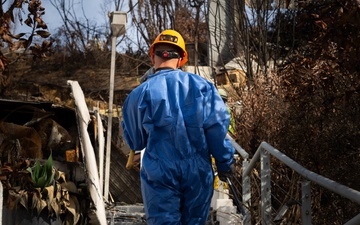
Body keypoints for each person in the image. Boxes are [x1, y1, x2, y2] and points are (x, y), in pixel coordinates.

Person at [121, 29, 235, 225]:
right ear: (182, 58)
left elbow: (135, 140)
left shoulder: (138, 94)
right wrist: (225, 163)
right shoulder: (203, 87)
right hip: (198, 171)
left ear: (152, 56)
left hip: (159, 170)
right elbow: (217, 128)